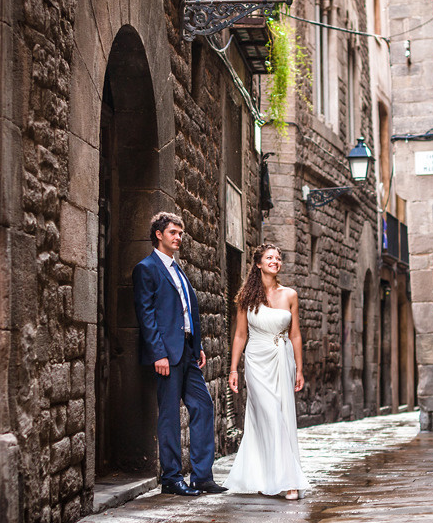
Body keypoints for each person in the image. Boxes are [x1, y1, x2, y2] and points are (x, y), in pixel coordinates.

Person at [133, 211, 227, 496]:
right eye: (174, 232)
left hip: (187, 351)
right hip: (166, 354)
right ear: (159, 234)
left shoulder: (178, 269)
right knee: (170, 415)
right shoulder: (146, 268)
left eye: (181, 233)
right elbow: (146, 314)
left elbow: (189, 310)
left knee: (203, 406)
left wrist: (197, 344)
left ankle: (201, 477)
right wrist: (157, 353)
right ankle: (172, 478)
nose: (179, 238)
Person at [225, 243, 310, 500]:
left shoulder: (290, 295)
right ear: (259, 264)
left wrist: (299, 368)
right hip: (256, 360)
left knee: (281, 414)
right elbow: (240, 335)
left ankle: (283, 477)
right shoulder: (246, 297)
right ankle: (281, 478)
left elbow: (295, 335)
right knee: (267, 414)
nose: (275, 261)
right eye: (270, 258)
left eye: (278, 258)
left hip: (282, 358)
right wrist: (233, 369)